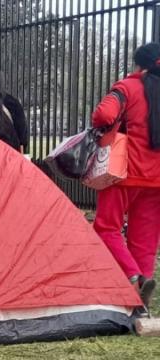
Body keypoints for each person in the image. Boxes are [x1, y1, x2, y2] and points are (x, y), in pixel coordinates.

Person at [92, 43, 160, 313]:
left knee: (106, 228)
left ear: (138, 65)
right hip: (156, 180)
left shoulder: (128, 87)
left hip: (123, 173)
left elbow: (104, 114)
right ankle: (139, 305)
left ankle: (135, 277)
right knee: (145, 238)